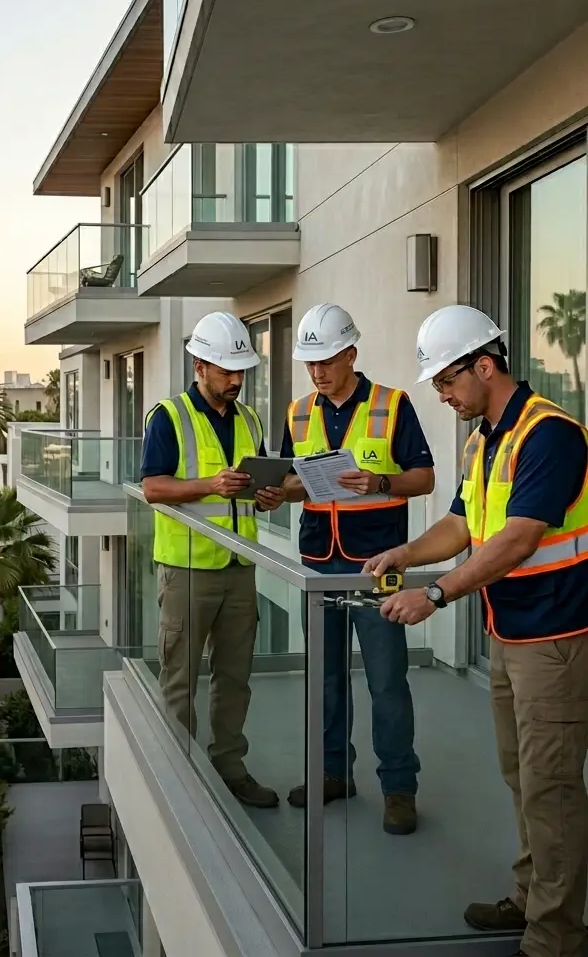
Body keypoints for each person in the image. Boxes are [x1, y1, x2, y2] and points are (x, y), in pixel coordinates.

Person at [365, 304, 588, 957]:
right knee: (523, 780)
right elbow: (464, 525)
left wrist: (434, 593)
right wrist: (405, 555)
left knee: (551, 792)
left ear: (484, 366)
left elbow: (518, 539)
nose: (441, 393)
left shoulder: (550, 435)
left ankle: (555, 937)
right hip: (510, 635)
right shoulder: (484, 438)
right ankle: (532, 900)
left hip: (556, 642)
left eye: (445, 380)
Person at [273, 302, 435, 835]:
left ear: (351, 354)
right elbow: (293, 482)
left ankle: (398, 789)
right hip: (318, 562)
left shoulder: (394, 404)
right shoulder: (298, 413)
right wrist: (273, 493)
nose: (316, 372)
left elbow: (425, 477)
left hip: (377, 564)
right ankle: (332, 774)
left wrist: (380, 482)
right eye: (309, 363)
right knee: (325, 679)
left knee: (387, 681)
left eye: (324, 361)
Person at [140, 310, 280, 807]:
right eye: (226, 371)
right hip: (186, 570)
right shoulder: (168, 416)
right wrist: (209, 485)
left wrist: (268, 495)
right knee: (182, 677)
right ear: (199, 365)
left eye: (241, 370)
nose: (236, 380)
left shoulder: (250, 418)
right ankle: (180, 778)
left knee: (235, 676)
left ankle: (229, 767)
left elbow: (256, 480)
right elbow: (153, 487)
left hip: (240, 567)